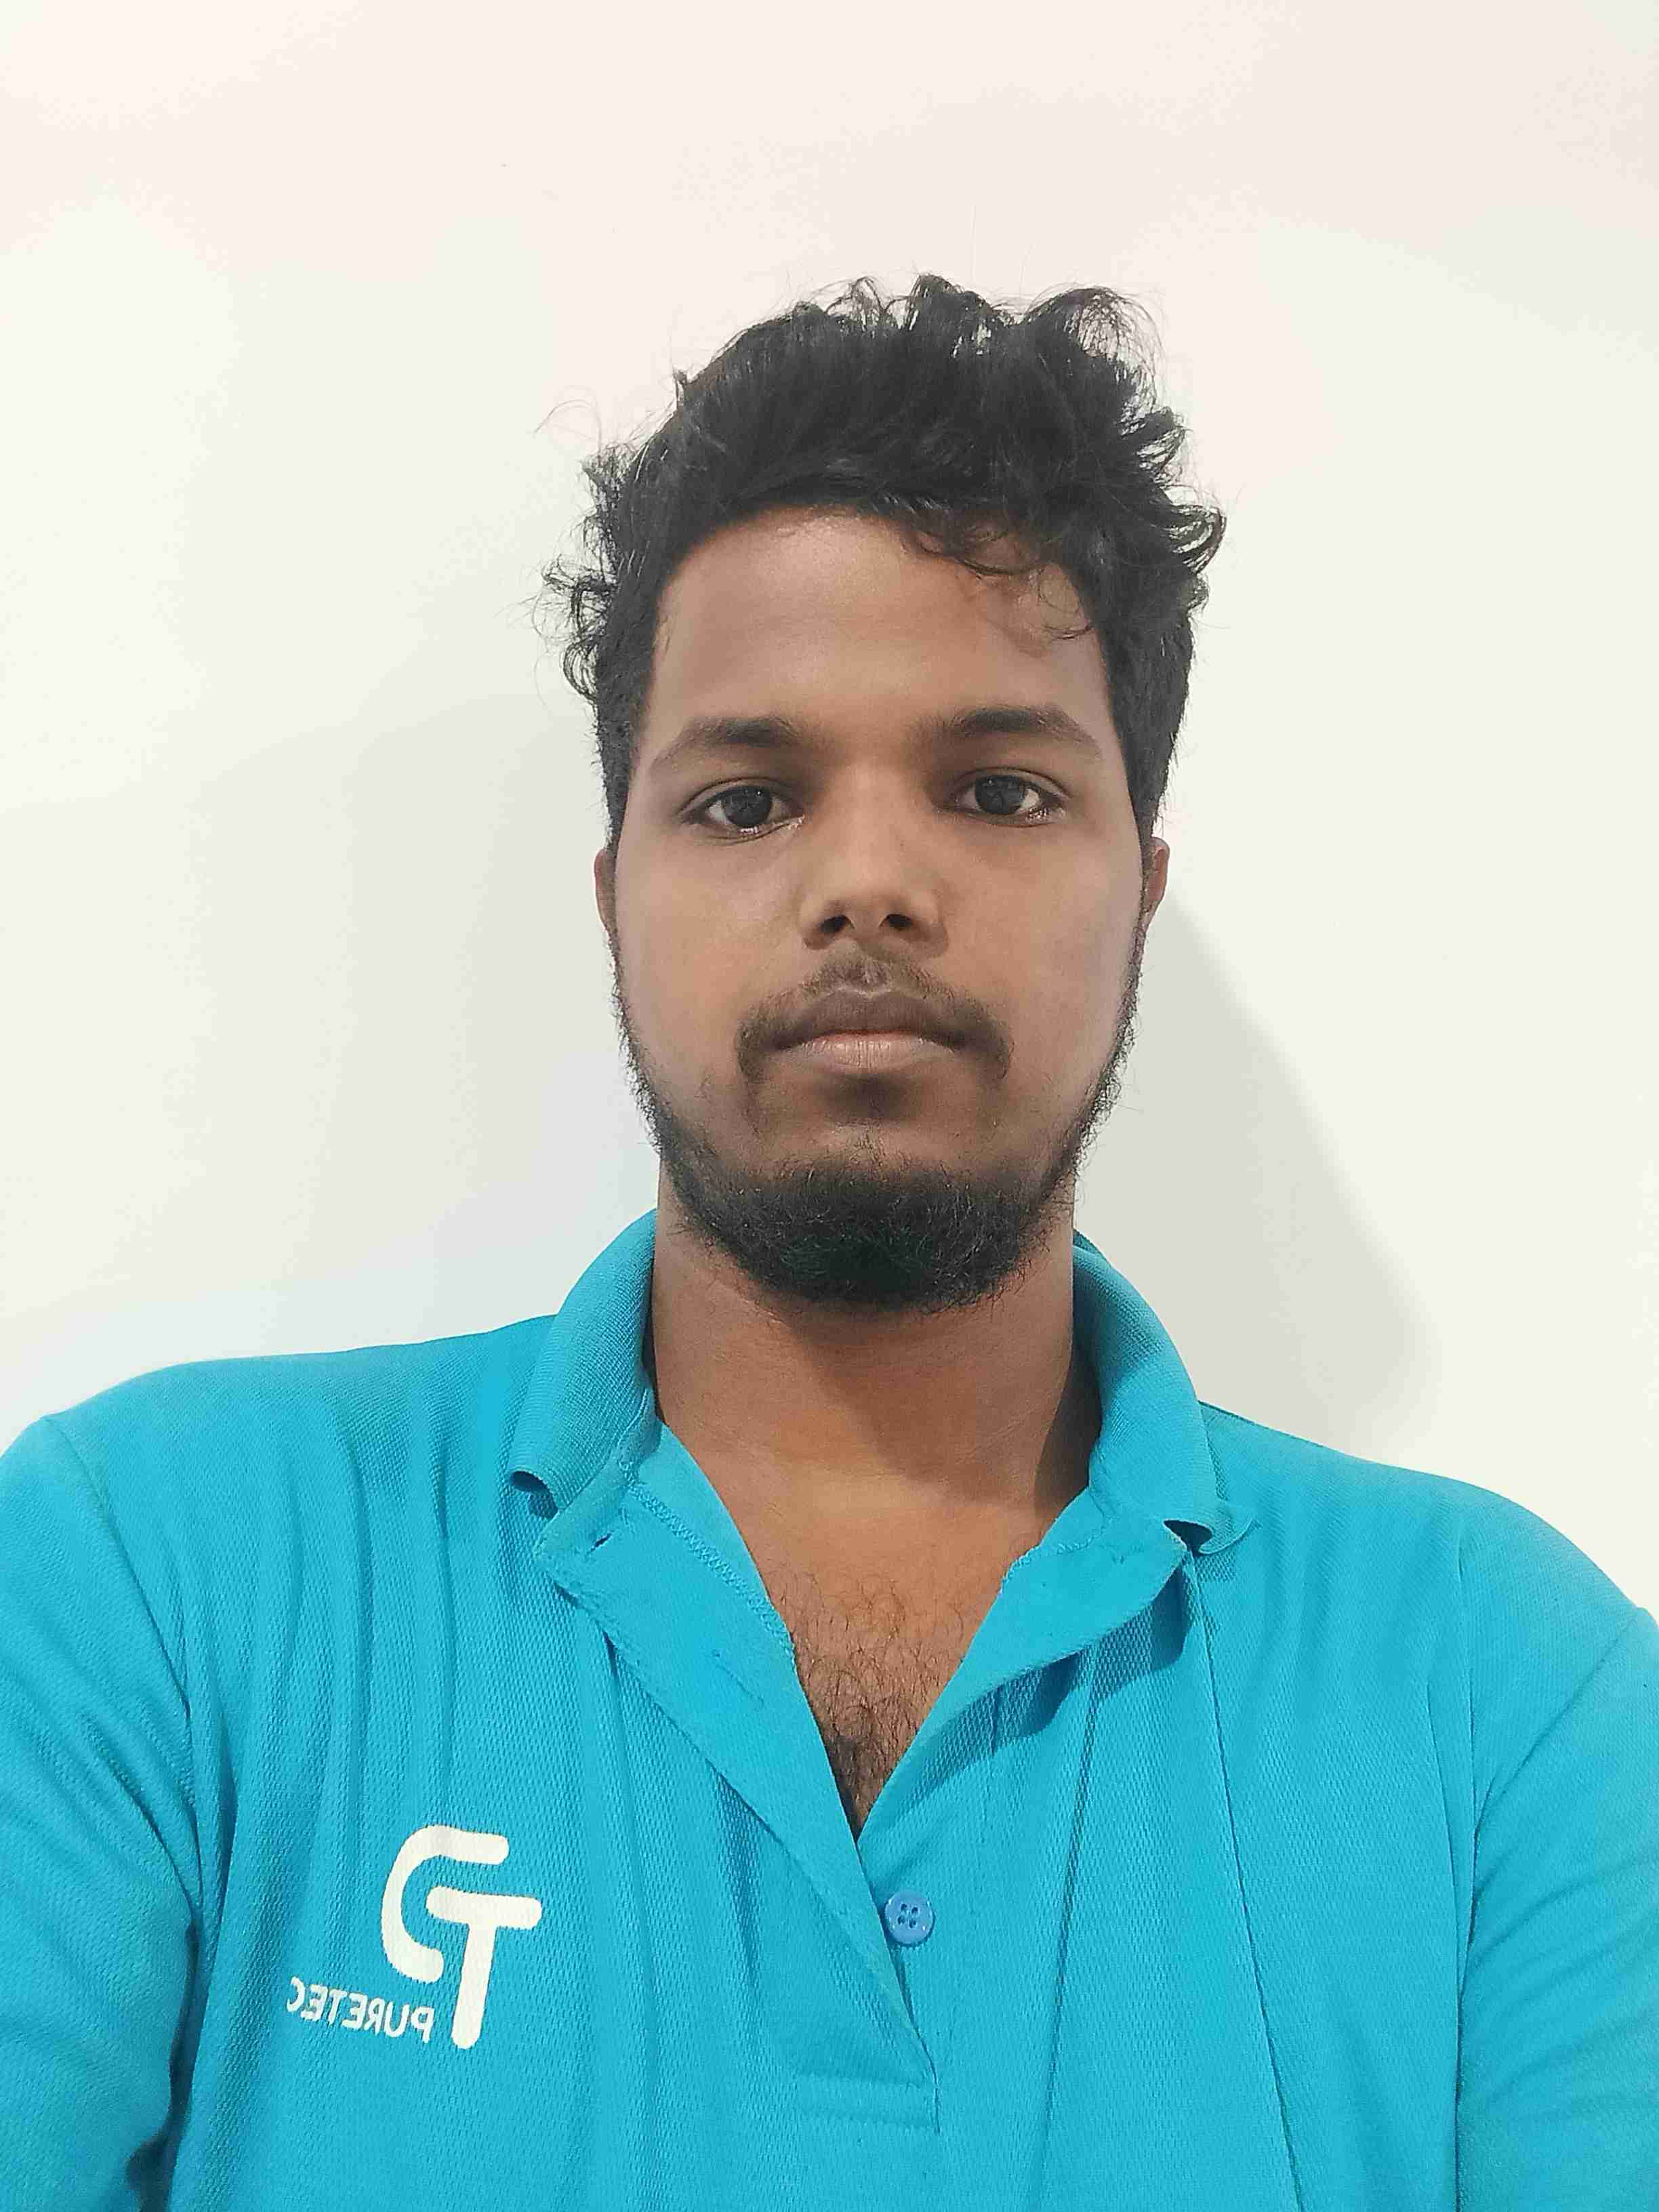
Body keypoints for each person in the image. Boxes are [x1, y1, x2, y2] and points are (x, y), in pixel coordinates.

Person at [1, 273, 1654, 2211]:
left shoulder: (1512, 1702)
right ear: (615, 898)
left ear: (1142, 890)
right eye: (748, 799)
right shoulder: (153, 1575)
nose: (869, 882)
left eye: (1000, 789)